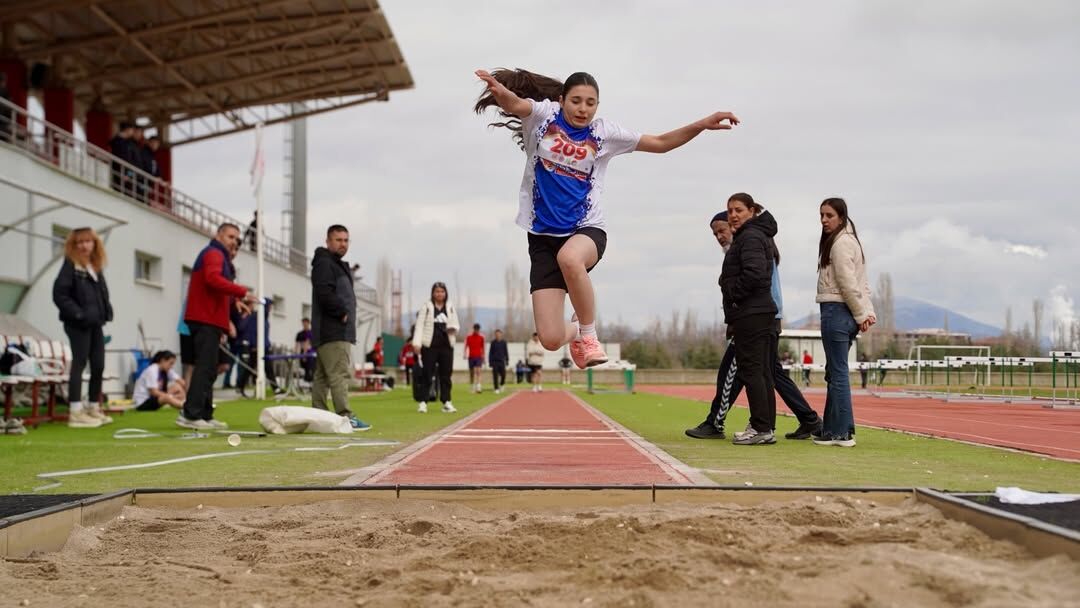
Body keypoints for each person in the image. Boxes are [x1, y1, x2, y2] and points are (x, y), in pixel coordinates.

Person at [474, 68, 739, 371]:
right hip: (542, 237)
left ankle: (589, 335)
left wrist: (702, 124)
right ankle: (575, 331)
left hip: (586, 229)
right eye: (576, 101)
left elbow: (661, 142)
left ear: (597, 106)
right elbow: (516, 105)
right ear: (561, 101)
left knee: (570, 258)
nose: (583, 109)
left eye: (590, 103)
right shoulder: (543, 116)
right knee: (549, 338)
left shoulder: (603, 133)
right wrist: (502, 93)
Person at [179, 222, 254, 430]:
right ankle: (191, 414)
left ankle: (203, 413)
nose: (233, 242)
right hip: (205, 319)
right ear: (219, 235)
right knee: (204, 367)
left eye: (236, 239)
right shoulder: (214, 254)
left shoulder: (219, 256)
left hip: (211, 319)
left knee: (209, 368)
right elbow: (212, 279)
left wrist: (233, 300)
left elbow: (216, 286)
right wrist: (242, 292)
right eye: (230, 237)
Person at [814, 197, 876, 447]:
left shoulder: (840, 245)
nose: (824, 220)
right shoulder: (851, 242)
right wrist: (866, 312)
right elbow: (862, 283)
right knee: (834, 372)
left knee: (838, 373)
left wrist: (862, 314)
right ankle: (831, 430)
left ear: (841, 216)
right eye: (821, 215)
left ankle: (842, 433)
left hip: (837, 311)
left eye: (829, 215)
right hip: (846, 312)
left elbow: (849, 284)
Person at [719, 193, 779, 445]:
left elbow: (755, 275)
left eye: (739, 210)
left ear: (752, 211)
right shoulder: (753, 235)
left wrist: (733, 295)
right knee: (762, 371)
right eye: (730, 210)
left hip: (751, 312)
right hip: (758, 311)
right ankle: (764, 426)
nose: (733, 215)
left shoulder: (751, 237)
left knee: (752, 370)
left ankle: (761, 427)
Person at [52, 227, 114, 428]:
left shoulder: (94, 266)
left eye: (88, 241)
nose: (84, 245)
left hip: (96, 323)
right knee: (79, 363)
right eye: (79, 242)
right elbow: (60, 295)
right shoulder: (70, 265)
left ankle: (93, 407)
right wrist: (79, 314)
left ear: (94, 243)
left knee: (98, 364)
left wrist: (106, 312)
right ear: (73, 245)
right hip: (77, 324)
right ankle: (75, 412)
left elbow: (101, 293)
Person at [310, 225, 370, 430]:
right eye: (338, 240)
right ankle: (345, 416)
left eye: (346, 240)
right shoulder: (325, 264)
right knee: (338, 374)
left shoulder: (333, 264)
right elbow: (324, 293)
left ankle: (319, 416)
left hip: (331, 330)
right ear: (328, 241)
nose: (342, 244)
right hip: (334, 330)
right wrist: (341, 312)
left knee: (323, 376)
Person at [412, 282, 460, 413]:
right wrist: (417, 342)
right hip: (430, 346)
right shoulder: (426, 307)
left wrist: (453, 329)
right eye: (437, 291)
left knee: (446, 375)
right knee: (427, 374)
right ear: (433, 293)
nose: (439, 294)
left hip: (446, 346)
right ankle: (423, 402)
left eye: (442, 291)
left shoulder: (450, 307)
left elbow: (456, 324)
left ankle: (447, 402)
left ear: (445, 293)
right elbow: (419, 325)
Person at [464, 323, 485, 393]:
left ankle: (478, 386)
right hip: (471, 357)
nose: (477, 331)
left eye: (478, 330)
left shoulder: (481, 338)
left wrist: (483, 357)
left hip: (478, 357)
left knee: (478, 371)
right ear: (474, 329)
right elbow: (466, 346)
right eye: (476, 329)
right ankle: (472, 386)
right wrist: (464, 354)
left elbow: (483, 348)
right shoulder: (469, 337)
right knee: (471, 372)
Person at [489, 329, 509, 394]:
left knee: (503, 374)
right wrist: (490, 362)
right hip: (494, 362)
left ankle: (502, 384)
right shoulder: (493, 343)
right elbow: (490, 353)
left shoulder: (504, 342)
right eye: (496, 334)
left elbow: (506, 351)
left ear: (501, 334)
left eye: (499, 334)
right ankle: (496, 388)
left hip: (501, 361)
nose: (497, 335)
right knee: (495, 376)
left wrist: (507, 360)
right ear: (495, 335)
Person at [294, 317, 314, 382]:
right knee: (304, 367)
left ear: (308, 323)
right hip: (302, 352)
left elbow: (307, 343)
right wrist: (295, 354)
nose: (304, 324)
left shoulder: (310, 333)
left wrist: (305, 355)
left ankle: (308, 380)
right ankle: (307, 380)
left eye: (306, 323)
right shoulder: (300, 334)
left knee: (309, 368)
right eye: (303, 323)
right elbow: (297, 345)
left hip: (309, 353)